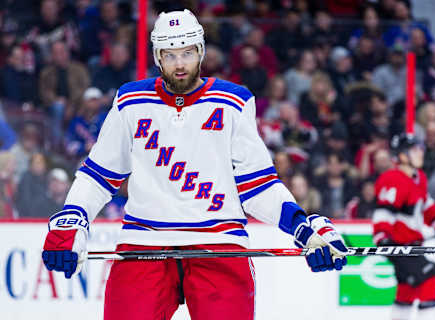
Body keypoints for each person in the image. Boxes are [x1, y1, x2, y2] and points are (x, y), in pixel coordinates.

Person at [41, 10, 348, 320]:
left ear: (200, 52)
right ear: (157, 57)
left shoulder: (233, 102)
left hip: (219, 243)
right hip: (144, 242)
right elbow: (97, 176)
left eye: (187, 52)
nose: (179, 63)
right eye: (170, 54)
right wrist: (73, 219)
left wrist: (303, 229)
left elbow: (259, 186)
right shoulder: (130, 101)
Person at [372, 134, 435, 320]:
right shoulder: (393, 178)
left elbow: (426, 205)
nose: (421, 152)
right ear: (402, 155)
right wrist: (383, 238)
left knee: (407, 290)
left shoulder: (419, 178)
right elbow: (383, 213)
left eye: (421, 148)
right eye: (415, 149)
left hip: (413, 246)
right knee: (429, 277)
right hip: (398, 247)